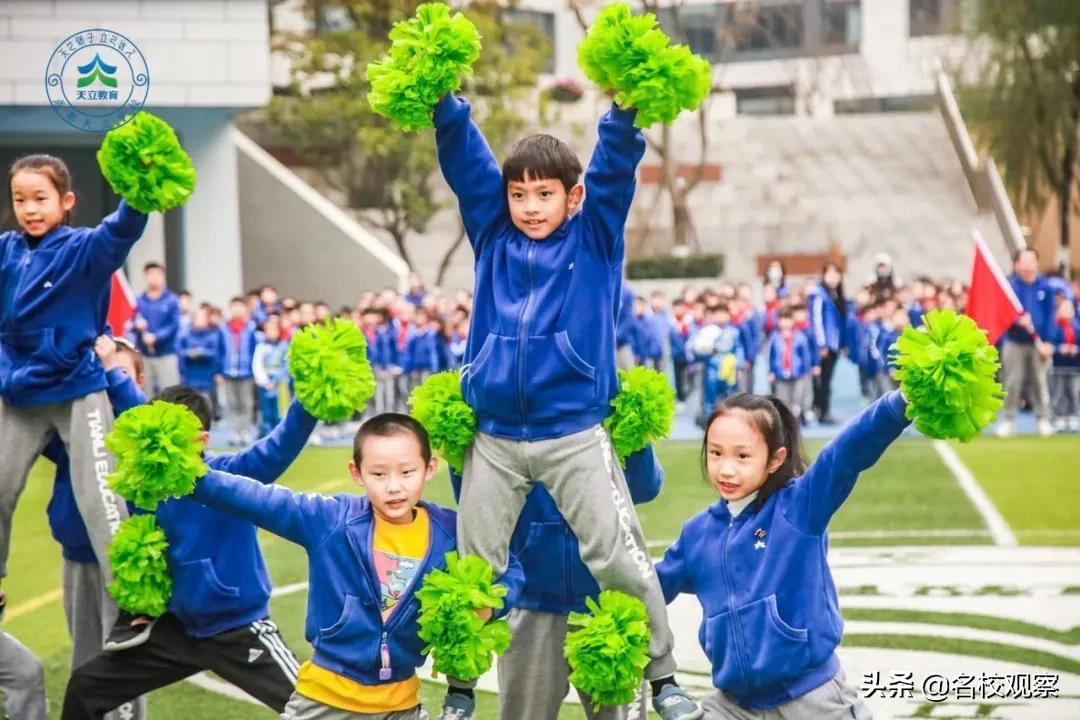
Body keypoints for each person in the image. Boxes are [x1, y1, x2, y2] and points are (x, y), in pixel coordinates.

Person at [433, 86, 700, 719]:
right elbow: (468, 167)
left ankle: (663, 677)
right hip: (495, 436)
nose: (529, 207)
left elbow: (613, 174)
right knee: (474, 566)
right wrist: (446, 105)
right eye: (518, 194)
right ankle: (461, 685)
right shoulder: (492, 236)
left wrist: (623, 115)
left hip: (574, 432)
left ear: (572, 197)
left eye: (544, 194)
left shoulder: (595, 240)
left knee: (618, 554)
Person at [187, 414, 523, 719]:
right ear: (356, 473)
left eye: (407, 472)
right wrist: (190, 473)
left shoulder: (450, 532)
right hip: (323, 701)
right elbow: (256, 498)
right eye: (378, 474)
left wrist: (491, 607)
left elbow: (508, 569)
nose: (394, 486)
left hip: (401, 706)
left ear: (429, 468)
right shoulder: (331, 520)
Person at [62, 383, 321, 718]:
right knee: (85, 687)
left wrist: (309, 400)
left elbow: (279, 446)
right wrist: (115, 376)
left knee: (313, 709)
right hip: (176, 631)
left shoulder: (231, 474)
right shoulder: (147, 489)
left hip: (239, 630)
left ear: (202, 440)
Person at [658, 390, 911, 718]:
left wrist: (899, 404)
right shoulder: (696, 534)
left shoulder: (799, 507)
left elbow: (845, 454)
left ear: (775, 459)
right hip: (735, 705)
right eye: (716, 453)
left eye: (742, 456)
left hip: (812, 698)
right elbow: (650, 588)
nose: (726, 469)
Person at [1, 153, 147, 644]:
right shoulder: (5, 252)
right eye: (20, 199)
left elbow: (125, 226)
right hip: (19, 395)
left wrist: (140, 185)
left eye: (40, 198)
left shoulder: (85, 249)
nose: (29, 209)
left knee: (99, 495)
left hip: (78, 389)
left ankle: (133, 603)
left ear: (65, 201)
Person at [448, 444, 662, 720]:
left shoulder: (602, 420)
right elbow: (474, 499)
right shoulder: (502, 425)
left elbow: (645, 487)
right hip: (532, 603)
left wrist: (635, 437)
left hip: (608, 605)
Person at [44, 337, 148, 720]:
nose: (109, 381)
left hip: (125, 563)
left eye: (121, 373)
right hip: (77, 556)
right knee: (85, 659)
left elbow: (141, 416)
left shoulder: (142, 420)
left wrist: (109, 377)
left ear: (138, 380)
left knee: (125, 665)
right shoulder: (80, 421)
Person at [997, 248, 1056, 437]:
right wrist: (1017, 321)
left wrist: (1049, 342)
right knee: (1012, 381)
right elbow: (1002, 312)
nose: (1029, 264)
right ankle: (1008, 419)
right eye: (1025, 260)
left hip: (1039, 343)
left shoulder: (1045, 287)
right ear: (1016, 264)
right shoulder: (1010, 287)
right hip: (1015, 341)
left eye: (1032, 260)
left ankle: (1042, 419)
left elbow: (1050, 316)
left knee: (1039, 381)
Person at [131, 261, 181, 394]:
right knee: (145, 393)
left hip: (166, 354)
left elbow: (174, 324)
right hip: (144, 355)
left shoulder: (171, 299)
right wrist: (137, 325)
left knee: (170, 393)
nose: (154, 277)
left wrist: (156, 337)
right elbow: (131, 322)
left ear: (163, 276)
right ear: (145, 276)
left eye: (158, 274)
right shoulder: (139, 301)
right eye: (151, 274)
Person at [808, 263, 847, 425]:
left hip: (834, 344)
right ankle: (820, 411)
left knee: (827, 380)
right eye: (829, 274)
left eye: (836, 274)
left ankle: (823, 411)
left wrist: (842, 343)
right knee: (821, 380)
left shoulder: (835, 295)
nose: (833, 278)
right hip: (825, 345)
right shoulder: (819, 294)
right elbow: (816, 320)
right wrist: (821, 344)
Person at [220, 296, 258, 446]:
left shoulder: (250, 327)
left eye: (240, 307)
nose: (237, 310)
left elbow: (254, 350)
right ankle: (234, 431)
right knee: (232, 402)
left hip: (246, 371)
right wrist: (219, 370)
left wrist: (254, 371)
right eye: (234, 307)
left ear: (245, 309)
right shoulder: (223, 328)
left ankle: (245, 430)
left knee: (246, 402)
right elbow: (220, 350)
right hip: (228, 371)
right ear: (230, 309)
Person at [178, 305, 224, 418]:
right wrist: (190, 353)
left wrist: (201, 352)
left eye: (203, 318)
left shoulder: (213, 335)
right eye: (198, 318)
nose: (200, 321)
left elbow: (216, 353)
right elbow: (180, 352)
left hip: (207, 379)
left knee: (205, 410)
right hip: (190, 378)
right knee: (190, 410)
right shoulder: (185, 335)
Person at [767, 309, 813, 419]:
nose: (785, 322)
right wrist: (771, 371)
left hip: (797, 373)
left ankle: (797, 417)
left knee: (797, 398)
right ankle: (784, 420)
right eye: (782, 320)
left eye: (788, 319)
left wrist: (806, 371)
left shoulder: (800, 337)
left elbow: (805, 356)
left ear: (793, 321)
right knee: (782, 398)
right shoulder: (774, 337)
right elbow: (771, 356)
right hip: (780, 373)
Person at [253, 314, 290, 438]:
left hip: (280, 383)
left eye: (274, 329)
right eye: (268, 330)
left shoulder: (284, 346)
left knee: (279, 410)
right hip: (264, 383)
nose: (271, 332)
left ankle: (279, 434)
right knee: (266, 410)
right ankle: (267, 433)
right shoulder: (261, 347)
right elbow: (257, 364)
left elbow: (286, 364)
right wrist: (264, 381)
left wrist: (276, 380)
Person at [1050, 293, 1080, 431]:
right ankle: (1059, 417)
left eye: (1069, 309)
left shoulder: (1077, 327)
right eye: (1064, 309)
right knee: (1058, 392)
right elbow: (1050, 343)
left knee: (1074, 392)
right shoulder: (1054, 326)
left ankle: (1073, 416)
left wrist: (1076, 349)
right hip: (1058, 365)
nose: (1067, 312)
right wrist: (1059, 348)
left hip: (1074, 366)